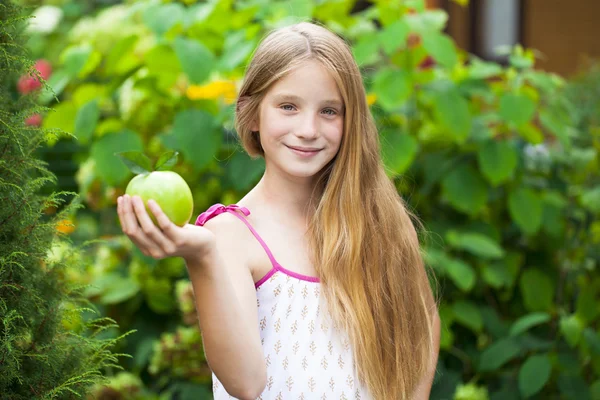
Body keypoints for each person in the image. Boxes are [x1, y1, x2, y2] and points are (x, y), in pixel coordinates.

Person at [117, 21, 440, 400]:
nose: (307, 129)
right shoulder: (230, 235)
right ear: (253, 114)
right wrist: (202, 256)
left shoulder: (378, 220)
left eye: (329, 111)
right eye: (288, 106)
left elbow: (423, 326)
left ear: (351, 121)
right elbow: (245, 382)